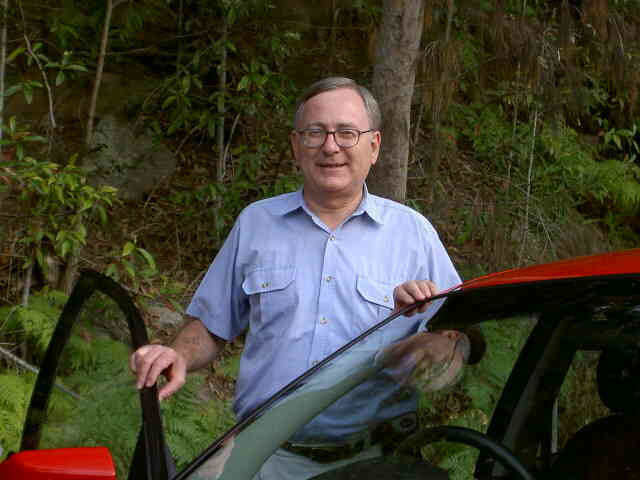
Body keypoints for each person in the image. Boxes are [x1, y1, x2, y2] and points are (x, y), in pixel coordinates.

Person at [130, 76, 461, 479]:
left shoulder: (412, 234)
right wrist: (178, 354)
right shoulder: (257, 223)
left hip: (373, 462)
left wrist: (433, 344)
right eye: (315, 133)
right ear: (295, 146)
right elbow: (212, 325)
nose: (330, 146)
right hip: (264, 454)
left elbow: (459, 336)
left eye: (346, 132)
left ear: (373, 146)